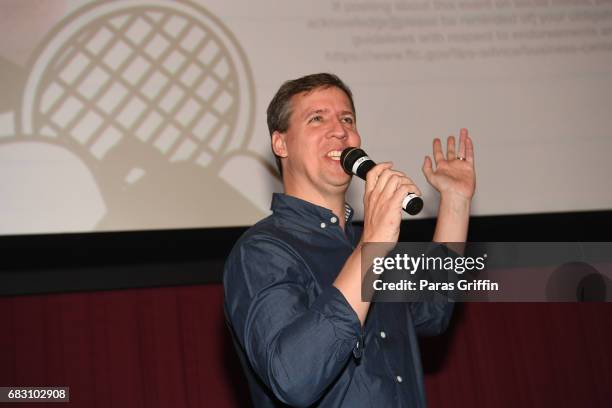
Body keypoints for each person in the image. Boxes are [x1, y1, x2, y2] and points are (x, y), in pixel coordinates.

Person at [223, 73, 476, 407]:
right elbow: (293, 377)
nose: (340, 130)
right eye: (317, 119)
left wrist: (455, 202)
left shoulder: (369, 242)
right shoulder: (262, 251)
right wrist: (373, 244)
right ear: (281, 143)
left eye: (347, 119)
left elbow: (432, 312)